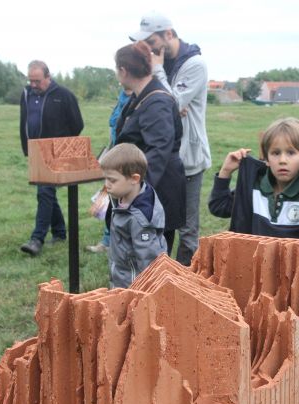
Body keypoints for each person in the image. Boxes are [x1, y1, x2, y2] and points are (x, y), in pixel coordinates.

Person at [130, 11, 210, 266]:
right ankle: (162, 277)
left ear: (169, 34)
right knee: (162, 223)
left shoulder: (195, 64)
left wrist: (160, 78)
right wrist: (170, 100)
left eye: (151, 42)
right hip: (163, 157)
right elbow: (167, 102)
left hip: (189, 159)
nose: (149, 49)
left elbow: (171, 102)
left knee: (187, 229)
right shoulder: (160, 63)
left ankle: (187, 282)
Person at [113, 41, 186, 256]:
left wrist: (134, 191)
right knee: (137, 260)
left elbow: (158, 151)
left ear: (124, 70)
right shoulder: (141, 97)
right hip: (147, 187)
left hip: (158, 191)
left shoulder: (156, 101)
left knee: (153, 262)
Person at [19, 60, 84, 256]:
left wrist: (61, 146)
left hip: (55, 153)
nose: (33, 85)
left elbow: (77, 125)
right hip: (35, 151)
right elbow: (24, 121)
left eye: (37, 81)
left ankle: (37, 239)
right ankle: (60, 231)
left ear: (48, 77)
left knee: (44, 192)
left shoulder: (64, 96)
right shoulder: (26, 94)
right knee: (47, 192)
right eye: (30, 80)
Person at [100, 143, 166, 288]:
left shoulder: (140, 219)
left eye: (112, 180)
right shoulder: (121, 196)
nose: (107, 185)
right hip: (121, 276)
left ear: (134, 179)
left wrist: (143, 293)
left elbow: (149, 263)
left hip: (134, 286)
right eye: (105, 179)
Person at [87, 87, 132, 254]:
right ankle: (108, 240)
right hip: (115, 153)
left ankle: (121, 243)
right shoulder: (122, 97)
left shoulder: (141, 97)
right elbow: (114, 126)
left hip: (128, 157)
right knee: (111, 200)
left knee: (122, 202)